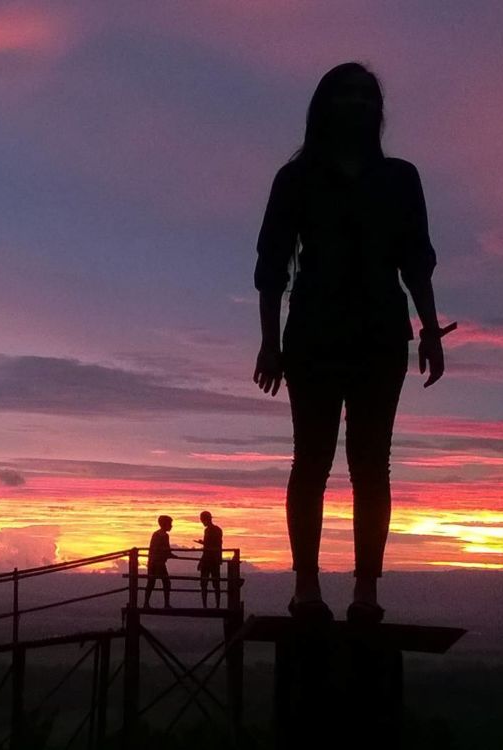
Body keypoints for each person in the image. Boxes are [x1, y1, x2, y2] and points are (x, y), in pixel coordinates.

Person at [252, 62, 456, 624]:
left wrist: (430, 330)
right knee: (311, 462)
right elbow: (272, 266)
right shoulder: (295, 180)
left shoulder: (400, 179)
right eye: (346, 95)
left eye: (367, 97)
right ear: (325, 105)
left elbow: (417, 259)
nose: (359, 104)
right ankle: (306, 588)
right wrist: (270, 344)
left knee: (372, 465)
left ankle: (366, 592)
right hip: (314, 334)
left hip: (380, 334)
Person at [144, 515, 177, 608]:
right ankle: (164, 604)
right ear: (164, 524)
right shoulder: (160, 535)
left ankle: (147, 603)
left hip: (156, 562)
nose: (171, 526)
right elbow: (160, 549)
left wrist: (170, 554)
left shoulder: (162, 535)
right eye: (170, 524)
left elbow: (166, 550)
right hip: (157, 562)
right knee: (163, 582)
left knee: (152, 582)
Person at [195, 511, 223, 608]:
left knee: (204, 584)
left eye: (202, 520)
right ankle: (217, 606)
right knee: (216, 583)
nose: (202, 522)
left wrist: (201, 561)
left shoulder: (208, 531)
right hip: (215, 559)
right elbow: (217, 545)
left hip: (208, 560)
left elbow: (208, 547)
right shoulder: (218, 530)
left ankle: (205, 606)